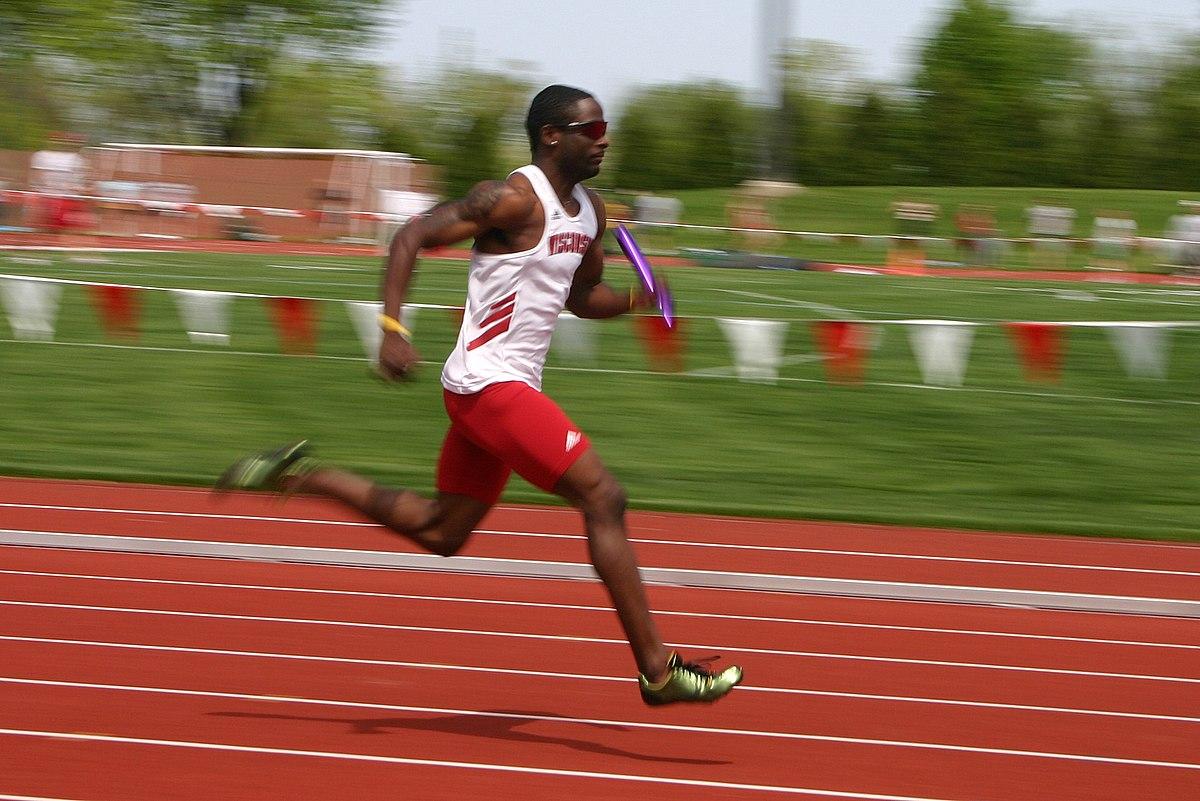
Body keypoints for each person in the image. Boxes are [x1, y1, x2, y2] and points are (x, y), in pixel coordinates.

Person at [216, 85, 742, 707]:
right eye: (593, 129)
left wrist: (635, 299)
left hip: (501, 388)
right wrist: (391, 328)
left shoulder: (590, 212)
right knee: (604, 496)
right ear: (552, 136)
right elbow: (410, 236)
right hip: (488, 384)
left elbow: (581, 298)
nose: (604, 140)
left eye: (606, 128)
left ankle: (301, 475)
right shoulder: (511, 199)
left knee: (443, 532)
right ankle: (658, 670)